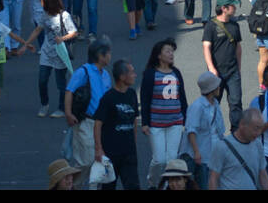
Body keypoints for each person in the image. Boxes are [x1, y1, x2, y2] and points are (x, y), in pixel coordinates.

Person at [64, 40, 113, 190]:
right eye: (108, 53)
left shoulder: (105, 74)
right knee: (86, 160)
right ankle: (73, 185)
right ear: (100, 55)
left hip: (101, 123)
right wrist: (68, 113)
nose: (110, 56)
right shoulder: (83, 72)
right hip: (86, 121)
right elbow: (69, 91)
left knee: (97, 160)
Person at [139, 39, 188, 186]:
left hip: (176, 122)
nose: (171, 54)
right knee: (159, 159)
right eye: (167, 51)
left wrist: (186, 119)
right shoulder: (150, 74)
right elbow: (145, 99)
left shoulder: (176, 73)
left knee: (171, 159)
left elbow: (182, 97)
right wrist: (145, 122)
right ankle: (153, 182)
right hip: (156, 123)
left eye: (172, 51)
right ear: (158, 55)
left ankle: (166, 186)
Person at [23, 0, 77, 117]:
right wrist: (25, 44)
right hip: (47, 51)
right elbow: (38, 30)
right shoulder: (44, 14)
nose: (41, 5)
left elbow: (74, 32)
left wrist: (62, 39)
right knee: (42, 80)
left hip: (60, 52)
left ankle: (62, 108)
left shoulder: (64, 16)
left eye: (42, 2)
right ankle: (44, 104)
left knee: (60, 82)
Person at [93, 58, 141, 190]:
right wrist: (99, 149)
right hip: (111, 154)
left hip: (129, 153)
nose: (135, 75)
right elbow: (98, 124)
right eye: (131, 72)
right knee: (108, 187)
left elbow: (134, 120)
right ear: (122, 76)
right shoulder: (108, 98)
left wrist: (133, 142)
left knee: (133, 186)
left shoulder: (131, 94)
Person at [203, 0, 245, 130]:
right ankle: (211, 130)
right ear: (224, 8)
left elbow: (238, 47)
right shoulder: (211, 26)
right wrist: (211, 68)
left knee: (236, 103)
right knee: (213, 103)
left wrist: (238, 67)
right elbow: (206, 47)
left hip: (233, 71)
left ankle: (236, 131)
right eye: (232, 5)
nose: (235, 8)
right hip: (216, 72)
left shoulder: (235, 25)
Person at [182, 71, 226, 189]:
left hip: (213, 152)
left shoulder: (215, 103)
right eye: (217, 85)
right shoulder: (197, 106)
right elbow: (191, 130)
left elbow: (218, 130)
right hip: (202, 155)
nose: (219, 87)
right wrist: (196, 152)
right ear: (212, 88)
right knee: (202, 184)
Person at [208, 107, 268, 189]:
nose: (259, 133)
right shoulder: (222, 146)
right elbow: (213, 178)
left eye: (260, 128)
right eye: (256, 128)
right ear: (242, 124)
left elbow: (263, 174)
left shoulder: (257, 145)